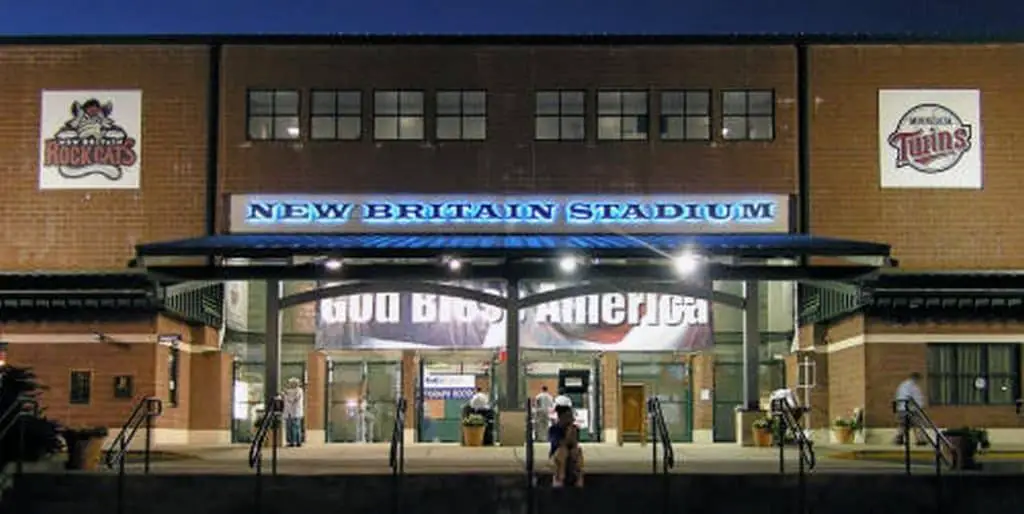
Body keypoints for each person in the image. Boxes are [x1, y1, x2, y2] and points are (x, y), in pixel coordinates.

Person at [548, 402, 583, 487]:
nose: (571, 419)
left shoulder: (574, 428)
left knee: (577, 451)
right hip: (557, 455)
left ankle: (578, 477)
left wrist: (572, 432)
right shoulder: (554, 429)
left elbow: (574, 443)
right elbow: (560, 444)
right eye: (568, 416)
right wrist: (568, 433)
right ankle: (560, 477)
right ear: (562, 417)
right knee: (563, 451)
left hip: (570, 452)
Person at [894, 372, 927, 446]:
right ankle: (920, 439)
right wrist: (917, 407)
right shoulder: (910, 386)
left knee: (904, 425)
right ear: (915, 378)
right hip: (910, 409)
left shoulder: (904, 385)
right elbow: (910, 397)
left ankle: (899, 438)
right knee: (918, 424)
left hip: (903, 408)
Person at [282, 377, 305, 447]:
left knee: (295, 427)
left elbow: (293, 400)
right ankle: (291, 442)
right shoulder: (288, 391)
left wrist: (286, 395)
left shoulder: (299, 390)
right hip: (289, 412)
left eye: (292, 383)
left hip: (296, 412)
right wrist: (285, 394)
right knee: (289, 428)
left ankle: (297, 442)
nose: (290, 385)